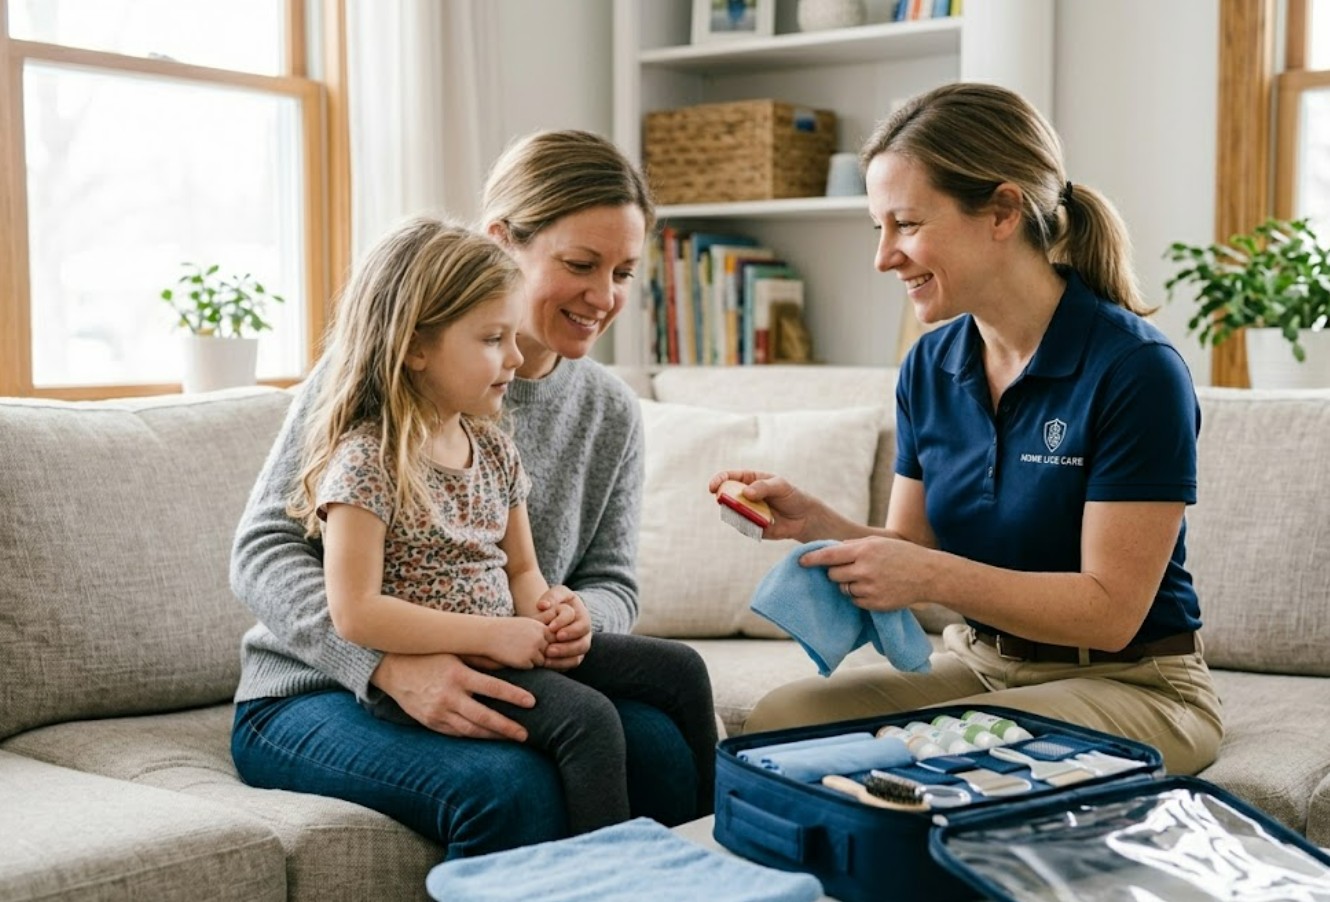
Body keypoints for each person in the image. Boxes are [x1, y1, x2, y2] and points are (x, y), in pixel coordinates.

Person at [709, 82, 1223, 776]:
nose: (884, 256)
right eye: (878, 229)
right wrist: (816, 523)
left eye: (908, 225)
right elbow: (910, 551)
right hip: (982, 670)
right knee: (782, 723)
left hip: (1135, 686)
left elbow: (1110, 612)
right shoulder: (929, 365)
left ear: (1003, 211)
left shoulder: (1135, 370)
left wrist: (928, 573)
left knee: (985, 753)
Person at [231, 130, 714, 857]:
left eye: (623, 271)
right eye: (581, 264)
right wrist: (387, 668)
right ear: (501, 241)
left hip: (510, 650)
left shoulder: (607, 410)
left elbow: (609, 579)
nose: (604, 296)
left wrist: (575, 618)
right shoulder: (379, 373)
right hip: (317, 685)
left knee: (658, 751)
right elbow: (264, 552)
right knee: (511, 787)